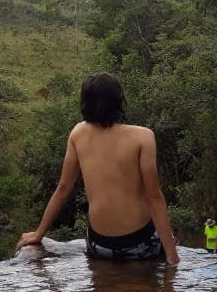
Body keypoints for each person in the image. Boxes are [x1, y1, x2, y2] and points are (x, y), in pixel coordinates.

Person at [15, 72, 180, 265]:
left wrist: (39, 234)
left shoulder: (78, 133)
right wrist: (172, 256)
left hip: (99, 245)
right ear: (119, 101)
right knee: (165, 233)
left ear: (85, 102)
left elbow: (64, 188)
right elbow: (154, 196)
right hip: (139, 245)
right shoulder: (143, 137)